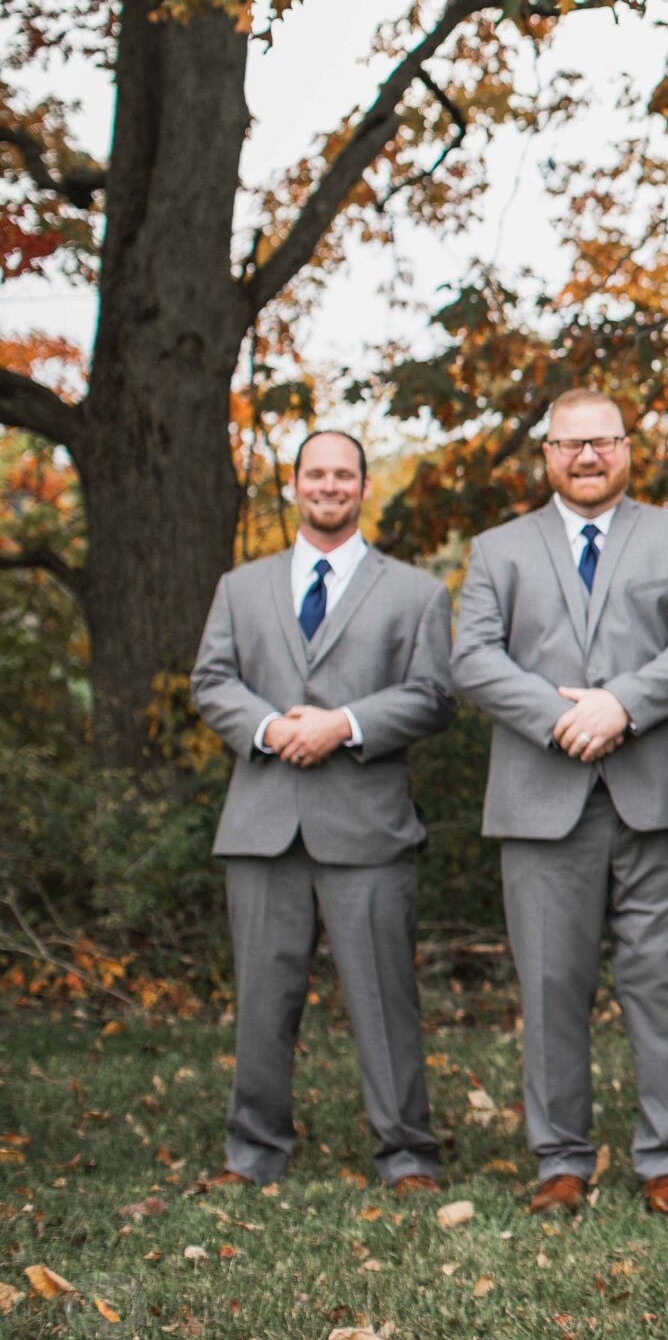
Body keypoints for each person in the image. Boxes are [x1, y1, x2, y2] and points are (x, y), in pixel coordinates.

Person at [452, 389, 668, 1217]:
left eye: (602, 442)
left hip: (659, 793)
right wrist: (563, 716)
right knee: (549, 984)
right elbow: (472, 658)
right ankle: (561, 1160)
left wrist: (622, 703)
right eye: (569, 444)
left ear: (627, 448)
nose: (586, 457)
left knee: (664, 980)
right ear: (546, 453)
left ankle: (666, 1158)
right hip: (543, 795)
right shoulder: (498, 548)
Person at [188, 431, 456, 1196]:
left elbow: (434, 695)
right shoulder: (241, 587)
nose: (329, 485)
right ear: (294, 485)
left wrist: (341, 724)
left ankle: (406, 1156)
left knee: (384, 999)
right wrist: (274, 729)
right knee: (262, 1002)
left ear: (362, 486)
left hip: (367, 824)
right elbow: (212, 680)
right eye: (316, 473)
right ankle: (253, 1152)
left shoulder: (415, 592)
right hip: (264, 822)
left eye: (343, 474)